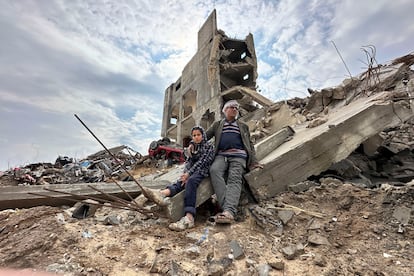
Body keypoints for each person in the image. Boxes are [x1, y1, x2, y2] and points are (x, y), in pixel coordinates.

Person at [143, 126, 215, 231]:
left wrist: (189, 174)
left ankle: (189, 218)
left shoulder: (209, 147)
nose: (196, 137)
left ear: (203, 135)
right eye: (194, 135)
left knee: (191, 181)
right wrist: (185, 173)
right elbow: (188, 162)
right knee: (181, 181)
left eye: (198, 135)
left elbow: (203, 162)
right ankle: (162, 194)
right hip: (192, 172)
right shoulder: (193, 148)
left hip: (203, 171)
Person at [206, 100, 263, 224]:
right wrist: (193, 144)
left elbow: (250, 144)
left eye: (236, 108)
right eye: (232, 107)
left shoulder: (243, 126)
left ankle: (228, 212)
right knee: (214, 170)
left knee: (234, 178)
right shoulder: (217, 125)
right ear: (225, 110)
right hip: (221, 156)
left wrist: (254, 161)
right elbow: (205, 137)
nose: (235, 109)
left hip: (239, 156)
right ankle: (227, 208)